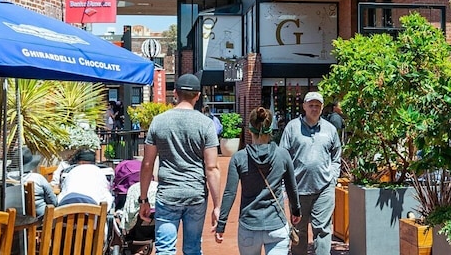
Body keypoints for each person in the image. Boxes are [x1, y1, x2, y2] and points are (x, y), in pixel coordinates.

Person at [139, 74, 222, 255]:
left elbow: (147, 163)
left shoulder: (158, 122)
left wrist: (143, 198)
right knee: (193, 249)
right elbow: (212, 168)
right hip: (195, 193)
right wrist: (217, 205)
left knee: (165, 249)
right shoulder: (206, 125)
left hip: (168, 194)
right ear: (198, 95)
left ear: (175, 93)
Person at [215, 108, 298, 255]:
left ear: (249, 131)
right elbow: (292, 188)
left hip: (249, 226)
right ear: (270, 129)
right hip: (276, 224)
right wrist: (296, 211)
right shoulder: (283, 155)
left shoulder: (239, 158)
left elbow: (230, 193)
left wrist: (221, 224)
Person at [280, 92, 342, 255]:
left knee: (322, 230)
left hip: (324, 189)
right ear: (304, 107)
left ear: (322, 108)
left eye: (318, 105)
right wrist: (284, 185)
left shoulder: (330, 129)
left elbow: (336, 156)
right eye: (311, 105)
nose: (314, 108)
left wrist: (333, 177)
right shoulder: (292, 128)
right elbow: (283, 157)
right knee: (299, 232)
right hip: (298, 190)